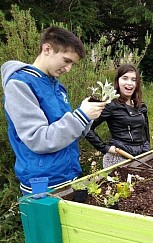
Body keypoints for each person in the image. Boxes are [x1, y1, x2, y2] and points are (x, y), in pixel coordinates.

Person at [1, 26, 106, 194]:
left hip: (68, 175)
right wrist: (80, 116)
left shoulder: (57, 87)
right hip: (42, 184)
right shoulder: (20, 85)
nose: (68, 68)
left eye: (72, 63)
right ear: (47, 49)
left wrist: (87, 117)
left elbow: (69, 135)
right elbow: (38, 139)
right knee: (45, 222)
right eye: (66, 60)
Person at [85, 64, 151, 168]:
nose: (129, 83)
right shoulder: (111, 105)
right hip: (119, 159)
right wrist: (106, 148)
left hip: (141, 157)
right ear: (118, 81)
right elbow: (86, 127)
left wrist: (147, 149)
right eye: (125, 78)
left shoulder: (141, 106)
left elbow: (145, 131)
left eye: (133, 80)